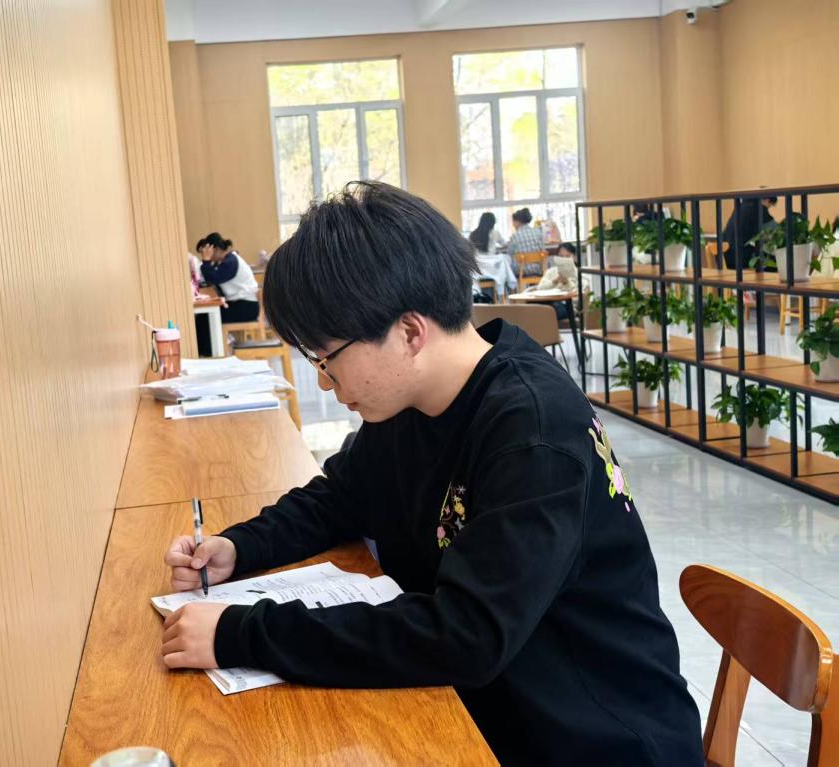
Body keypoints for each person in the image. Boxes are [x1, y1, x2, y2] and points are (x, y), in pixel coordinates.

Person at [160, 182, 704, 766]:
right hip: (490, 703)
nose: (323, 380)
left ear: (410, 332)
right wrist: (239, 547)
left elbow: (465, 636)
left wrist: (240, 634)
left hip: (592, 738)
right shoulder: (411, 399)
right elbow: (341, 496)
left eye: (326, 358)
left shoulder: (534, 432)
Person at [198, 232, 260, 323]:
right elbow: (211, 278)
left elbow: (213, 279)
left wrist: (206, 261)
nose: (208, 256)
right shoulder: (225, 260)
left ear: (216, 249)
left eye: (208, 253)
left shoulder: (230, 262)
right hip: (240, 304)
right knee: (204, 317)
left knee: (204, 319)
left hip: (246, 307)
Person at [721, 196, 777, 270]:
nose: (768, 208)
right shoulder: (759, 209)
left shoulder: (740, 206)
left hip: (727, 257)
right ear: (767, 200)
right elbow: (775, 231)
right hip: (742, 259)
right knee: (775, 262)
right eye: (770, 205)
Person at [469, 212, 515, 300]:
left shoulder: (473, 234)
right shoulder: (495, 233)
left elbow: (471, 251)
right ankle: (502, 297)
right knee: (504, 259)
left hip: (480, 270)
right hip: (493, 270)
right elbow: (505, 245)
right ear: (493, 222)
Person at [506, 207, 547, 280]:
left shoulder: (515, 236)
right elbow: (543, 250)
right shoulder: (538, 232)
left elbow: (509, 254)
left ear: (517, 222)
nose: (513, 224)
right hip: (538, 268)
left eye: (513, 222)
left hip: (521, 270)